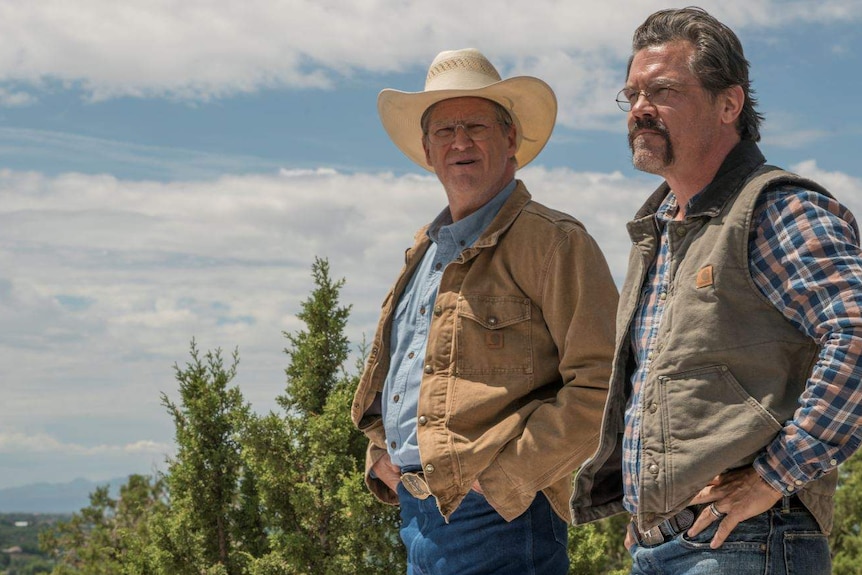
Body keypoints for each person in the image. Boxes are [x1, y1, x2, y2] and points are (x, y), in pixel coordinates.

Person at [570, 7, 862, 575]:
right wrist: (649, 516)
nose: (639, 110)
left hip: (746, 541)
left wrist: (775, 476)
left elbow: (857, 331)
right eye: (630, 95)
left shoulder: (777, 208)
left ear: (729, 104)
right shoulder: (658, 232)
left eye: (662, 91)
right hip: (666, 546)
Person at [350, 48, 618, 574]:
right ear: (427, 150)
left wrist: (501, 483)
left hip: (501, 518)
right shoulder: (423, 252)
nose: (460, 142)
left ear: (511, 139)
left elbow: (605, 384)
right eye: (445, 131)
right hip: (415, 512)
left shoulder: (555, 243)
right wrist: (381, 459)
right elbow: (401, 376)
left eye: (476, 125)